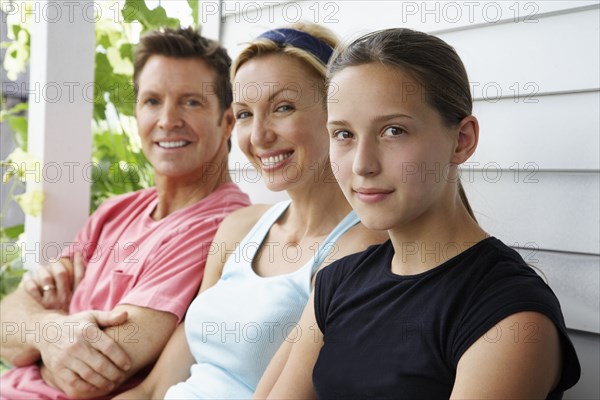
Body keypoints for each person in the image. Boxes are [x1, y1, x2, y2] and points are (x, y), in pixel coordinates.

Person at [256, 28, 581, 399]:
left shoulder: (508, 315)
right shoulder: (336, 284)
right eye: (344, 134)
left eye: (393, 131)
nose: (362, 164)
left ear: (462, 141)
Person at [115, 23, 386, 399]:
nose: (258, 136)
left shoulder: (361, 248)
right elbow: (155, 389)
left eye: (283, 108)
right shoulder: (240, 228)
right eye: (244, 114)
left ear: (337, 112)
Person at [0, 27, 250, 399]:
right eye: (152, 101)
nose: (167, 120)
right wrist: (50, 332)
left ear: (227, 121)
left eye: (191, 102)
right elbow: (6, 325)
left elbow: (87, 374)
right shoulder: (116, 211)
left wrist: (35, 333)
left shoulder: (221, 225)